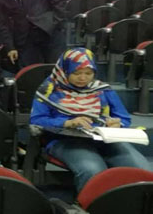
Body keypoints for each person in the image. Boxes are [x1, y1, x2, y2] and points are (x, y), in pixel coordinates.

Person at [30, 48, 151, 192]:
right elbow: (37, 120)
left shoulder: (102, 89)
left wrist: (117, 123)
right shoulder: (48, 90)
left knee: (141, 169)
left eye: (88, 73)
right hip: (65, 140)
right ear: (64, 71)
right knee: (93, 171)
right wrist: (67, 123)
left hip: (104, 138)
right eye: (76, 73)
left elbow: (124, 118)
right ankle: (91, 204)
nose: (83, 78)